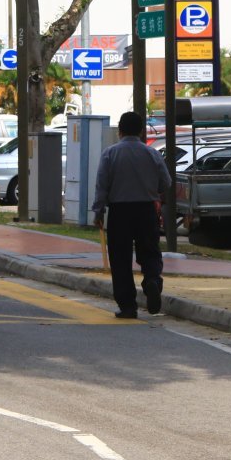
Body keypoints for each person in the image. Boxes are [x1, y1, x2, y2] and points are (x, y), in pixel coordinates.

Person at [92, 111, 171, 319]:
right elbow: (166, 182)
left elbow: (102, 185)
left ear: (120, 130)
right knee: (150, 251)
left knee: (120, 259)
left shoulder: (110, 153)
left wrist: (98, 210)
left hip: (120, 212)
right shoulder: (152, 153)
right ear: (141, 130)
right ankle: (152, 280)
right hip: (146, 210)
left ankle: (128, 306)